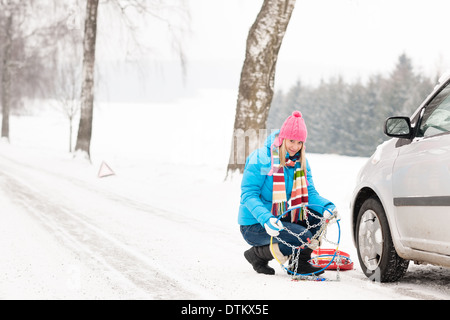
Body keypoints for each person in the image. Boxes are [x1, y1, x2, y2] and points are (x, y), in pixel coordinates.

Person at [238, 110, 337, 276]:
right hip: (254, 224)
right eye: (291, 141)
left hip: (279, 216)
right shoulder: (261, 158)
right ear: (282, 138)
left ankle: (299, 263)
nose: (295, 147)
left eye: (299, 142)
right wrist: (266, 219)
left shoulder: (300, 162)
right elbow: (248, 194)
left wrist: (327, 207)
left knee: (317, 218)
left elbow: (310, 192)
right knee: (301, 236)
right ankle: (256, 255)